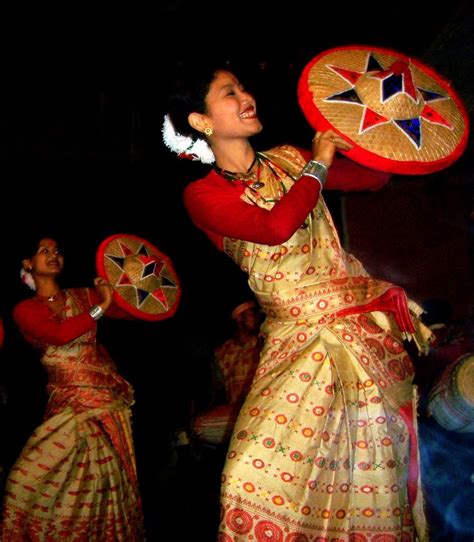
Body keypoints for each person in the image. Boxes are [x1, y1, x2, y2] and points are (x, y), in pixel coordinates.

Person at [164, 62, 433, 541]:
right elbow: (274, 228)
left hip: (356, 337)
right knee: (251, 472)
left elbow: (373, 180)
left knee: (367, 470)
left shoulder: (289, 158)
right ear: (201, 122)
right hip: (295, 340)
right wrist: (320, 162)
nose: (246, 96)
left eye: (243, 87)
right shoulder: (202, 194)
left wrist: (376, 127)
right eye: (229, 92)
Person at [0, 237, 144, 541]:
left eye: (57, 251)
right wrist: (102, 305)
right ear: (27, 264)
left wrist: (126, 282)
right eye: (44, 251)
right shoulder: (25, 309)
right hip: (67, 406)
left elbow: (133, 310)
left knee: (105, 485)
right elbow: (59, 334)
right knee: (25, 483)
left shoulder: (83, 296)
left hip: (103, 402)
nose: (53, 255)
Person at [193, 300, 263, 445]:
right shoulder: (223, 351)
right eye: (252, 313)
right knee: (198, 426)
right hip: (235, 411)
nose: (257, 317)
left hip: (260, 406)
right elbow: (214, 390)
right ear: (239, 317)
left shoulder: (264, 343)